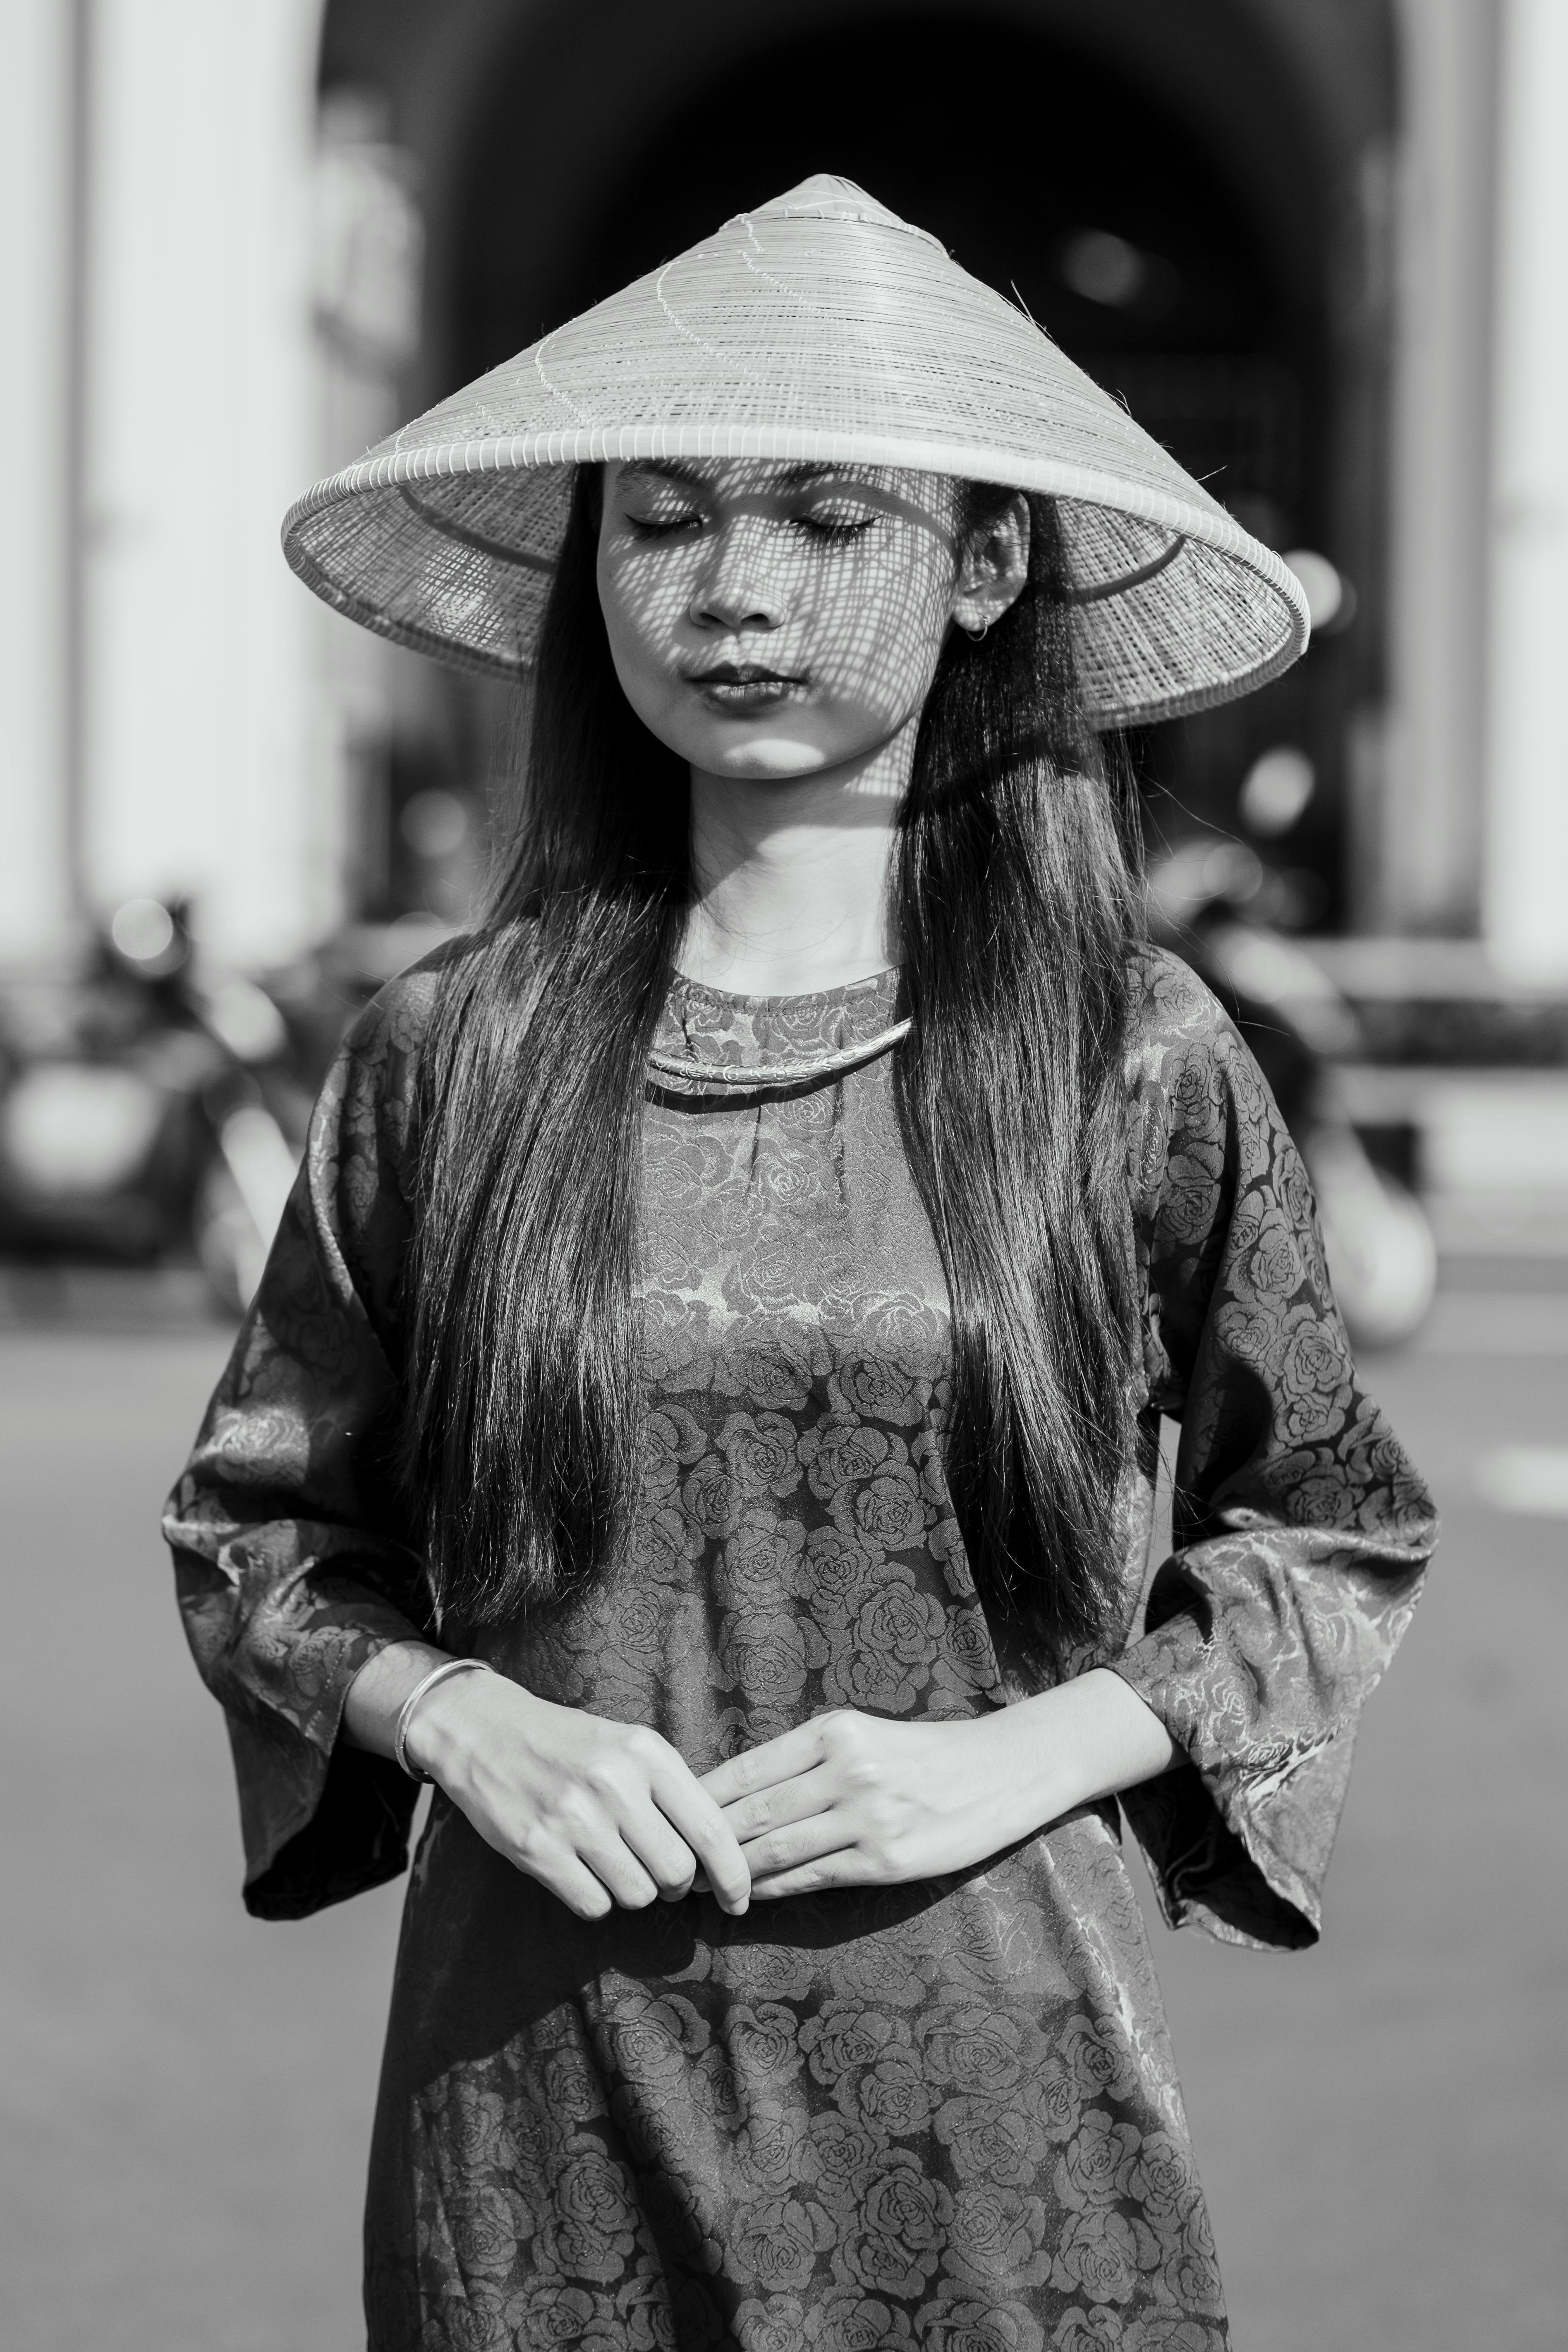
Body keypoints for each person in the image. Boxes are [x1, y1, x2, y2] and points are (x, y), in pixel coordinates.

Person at [165, 178, 1437, 2351]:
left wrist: (1025, 1752)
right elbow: (263, 1530)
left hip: (999, 2087)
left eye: (832, 519)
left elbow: (1324, 1523)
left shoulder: (1129, 1057)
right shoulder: (444, 1058)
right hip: (536, 2094)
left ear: (986, 560)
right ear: (593, 566)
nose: (737, 592)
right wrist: (462, 1715)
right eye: (667, 520)